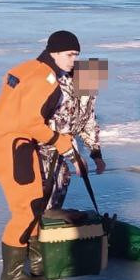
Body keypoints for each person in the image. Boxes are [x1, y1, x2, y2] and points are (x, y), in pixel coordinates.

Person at [0, 30, 81, 280]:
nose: (73, 61)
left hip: (3, 141)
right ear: (55, 52)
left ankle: (37, 262)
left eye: (76, 55)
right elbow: (30, 122)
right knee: (25, 209)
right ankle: (13, 275)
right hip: (15, 147)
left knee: (36, 201)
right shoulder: (46, 80)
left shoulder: (25, 68)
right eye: (70, 54)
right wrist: (59, 140)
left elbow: (13, 98)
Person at [39, 57, 108, 210]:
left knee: (62, 178)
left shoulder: (88, 93)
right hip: (42, 144)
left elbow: (88, 122)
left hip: (61, 146)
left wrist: (96, 154)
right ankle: (39, 222)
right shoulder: (61, 92)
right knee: (53, 179)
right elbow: (60, 128)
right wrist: (75, 158)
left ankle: (50, 217)